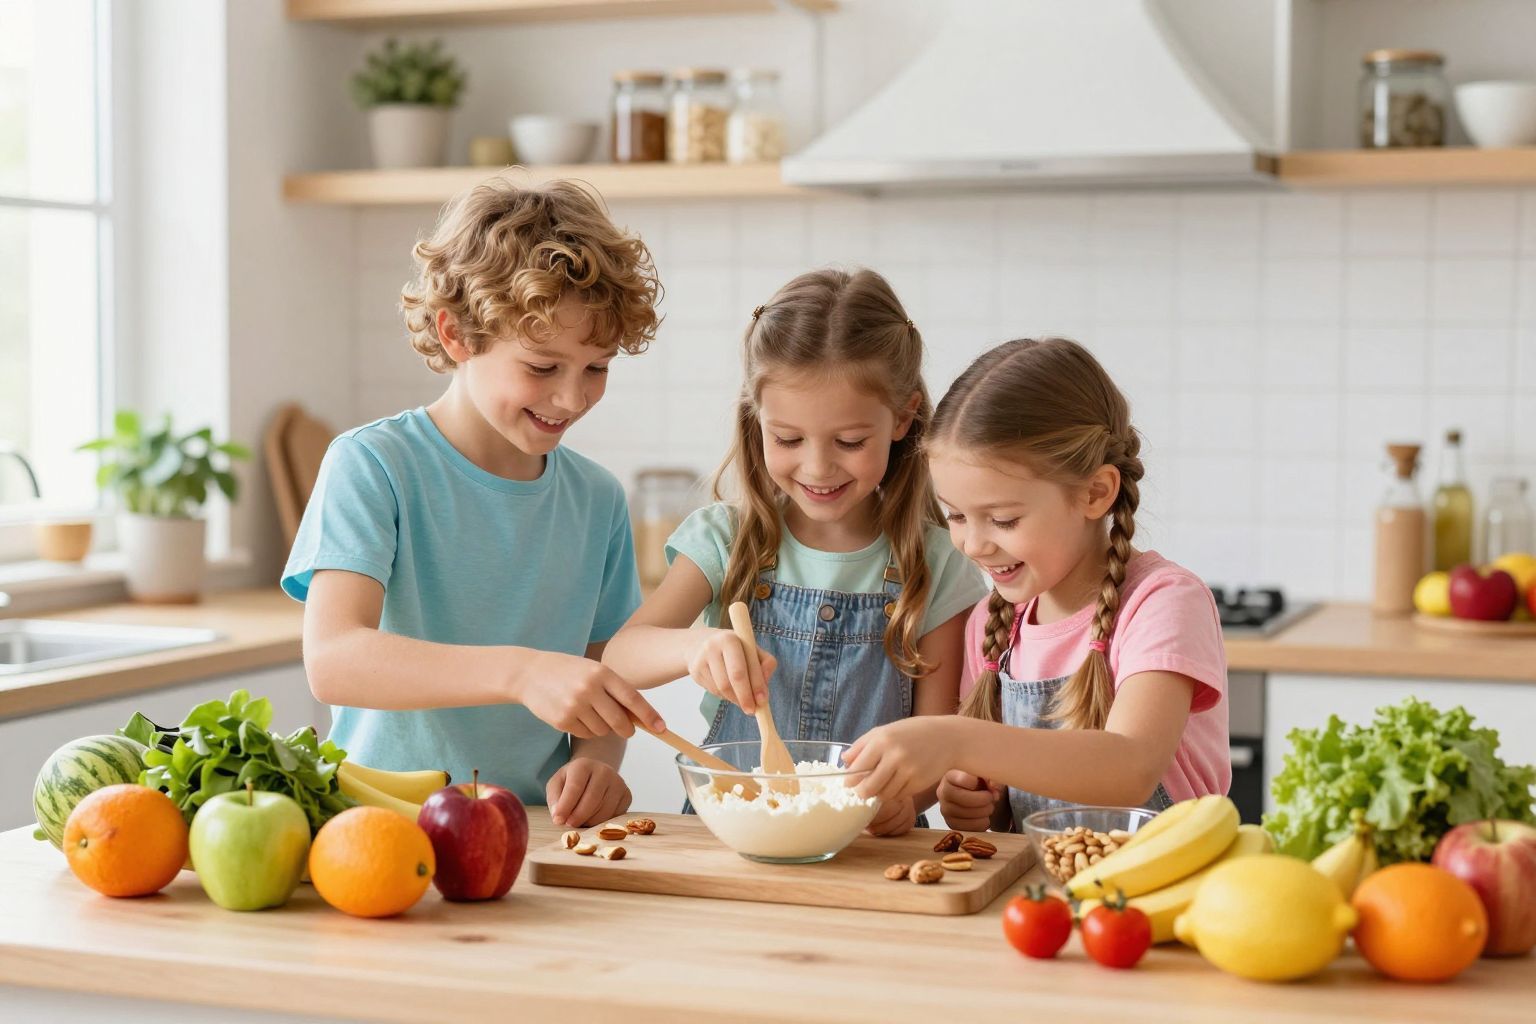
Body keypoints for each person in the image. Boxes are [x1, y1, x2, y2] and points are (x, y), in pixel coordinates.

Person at [282, 179, 665, 828]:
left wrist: (597, 762)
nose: (572, 399)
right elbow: (334, 660)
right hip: (378, 829)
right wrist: (520, 673)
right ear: (456, 333)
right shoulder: (374, 465)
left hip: (530, 832)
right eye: (542, 367)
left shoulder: (597, 499)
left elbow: (600, 677)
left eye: (596, 368)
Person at [603, 268, 987, 836]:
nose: (817, 467)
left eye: (850, 442)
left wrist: (906, 800)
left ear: (903, 419)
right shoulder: (725, 539)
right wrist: (695, 647)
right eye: (788, 438)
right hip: (733, 833)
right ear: (756, 418)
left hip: (870, 841)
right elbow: (619, 658)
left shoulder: (938, 562)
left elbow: (938, 738)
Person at [843, 337, 1231, 832]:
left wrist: (958, 740)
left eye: (1003, 520)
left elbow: (1130, 768)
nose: (973, 544)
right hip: (1039, 880)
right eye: (956, 516)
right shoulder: (992, 623)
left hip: (1162, 878)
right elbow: (1009, 792)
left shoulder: (1162, 603)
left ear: (1095, 493)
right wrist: (973, 800)